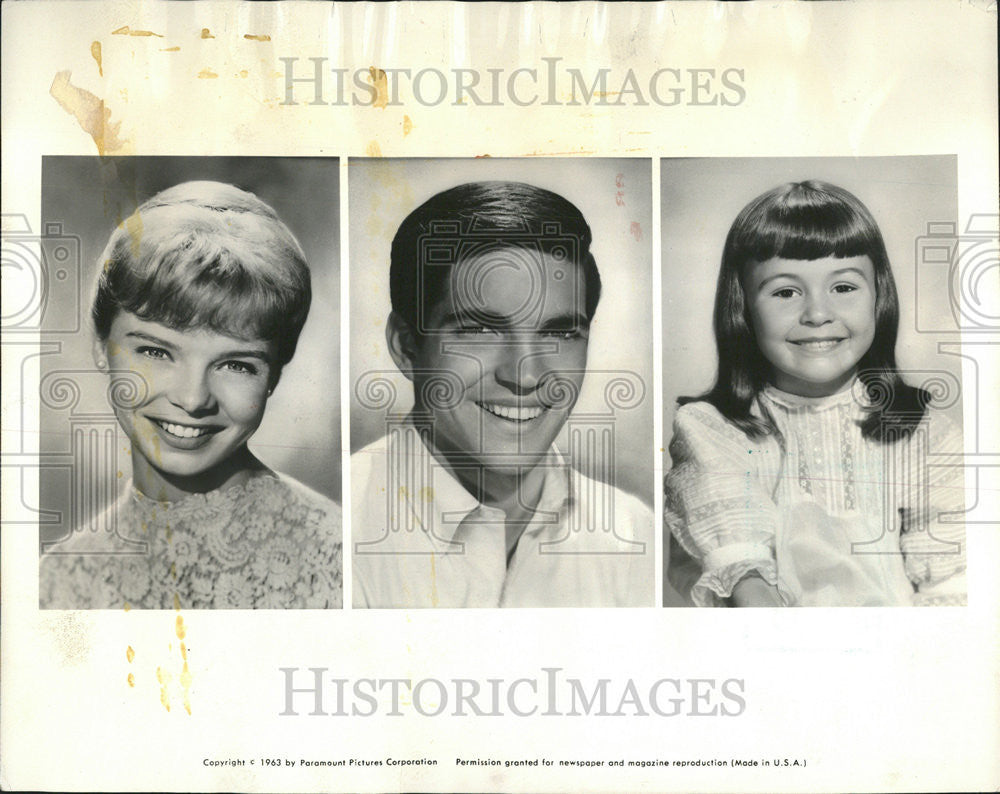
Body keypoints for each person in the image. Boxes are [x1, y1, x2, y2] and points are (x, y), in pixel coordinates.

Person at [40, 180, 342, 609]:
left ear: (274, 374)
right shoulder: (59, 579)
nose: (194, 398)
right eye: (157, 351)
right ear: (101, 347)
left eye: (237, 365)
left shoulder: (338, 560)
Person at [664, 180, 966, 607]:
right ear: (743, 308)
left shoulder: (925, 435)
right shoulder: (715, 429)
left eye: (843, 288)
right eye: (786, 292)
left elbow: (952, 582)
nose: (818, 314)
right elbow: (743, 574)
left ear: (879, 296)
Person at [352, 181, 652, 608]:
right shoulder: (339, 529)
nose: (525, 374)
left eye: (560, 332)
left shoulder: (632, 531)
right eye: (479, 330)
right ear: (406, 346)